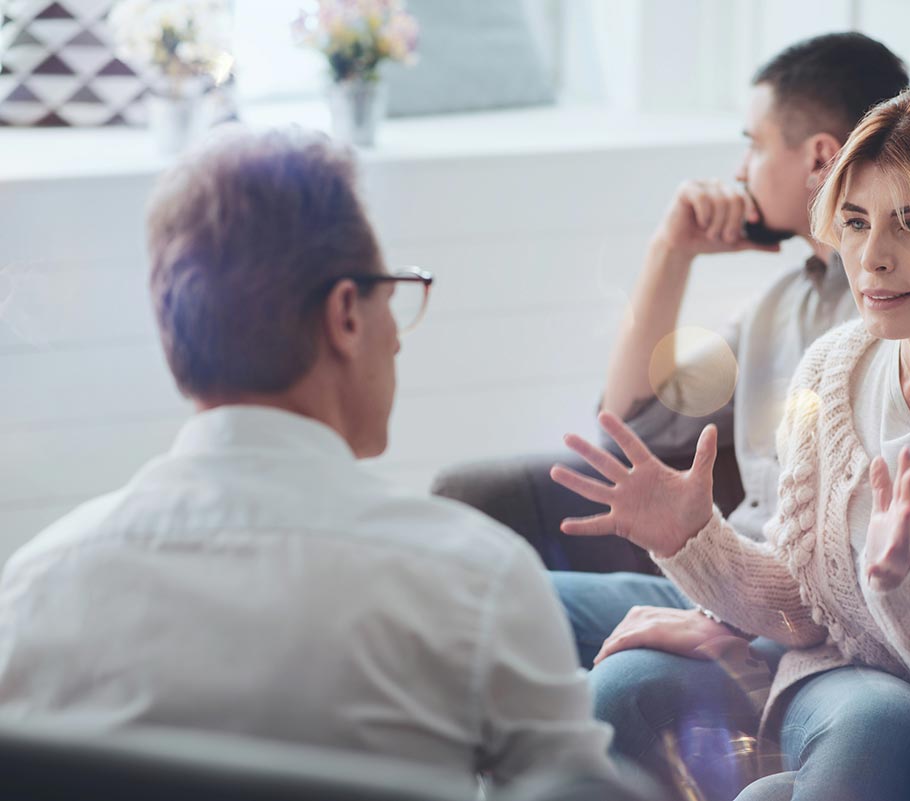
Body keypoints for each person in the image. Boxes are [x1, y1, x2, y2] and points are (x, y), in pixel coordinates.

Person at [552, 85, 910, 801]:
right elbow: (808, 604)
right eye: (857, 222)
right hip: (853, 687)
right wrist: (693, 540)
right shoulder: (834, 367)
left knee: (855, 738)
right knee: (623, 683)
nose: (873, 258)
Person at [0, 127, 613, 793]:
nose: (398, 344)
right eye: (393, 293)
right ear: (346, 312)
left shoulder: (32, 590)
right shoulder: (475, 581)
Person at [553, 30, 909, 663]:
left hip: (789, 619)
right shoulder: (780, 308)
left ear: (820, 157)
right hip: (712, 588)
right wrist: (671, 251)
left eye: (754, 143)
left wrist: (738, 620)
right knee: (488, 601)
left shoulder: (906, 320)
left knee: (621, 674)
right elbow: (637, 422)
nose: (740, 170)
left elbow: (872, 543)